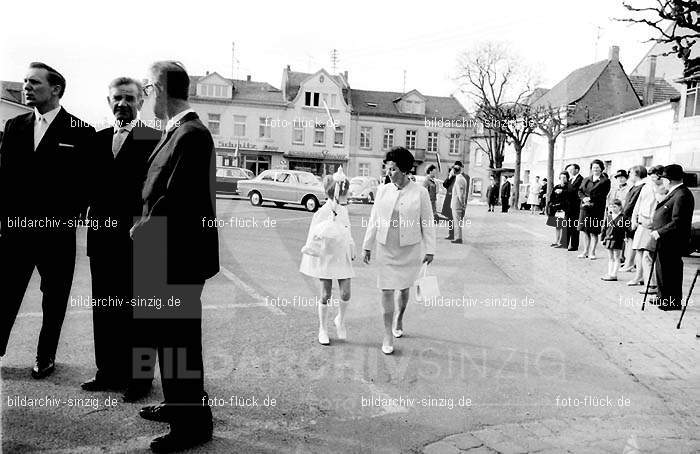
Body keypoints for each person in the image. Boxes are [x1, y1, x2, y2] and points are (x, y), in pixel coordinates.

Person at [129, 61, 219, 452]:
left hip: (177, 256)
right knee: (169, 339)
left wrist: (143, 226)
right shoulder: (176, 131)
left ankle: (193, 425)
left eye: (147, 87)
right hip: (163, 252)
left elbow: (177, 197)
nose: (145, 95)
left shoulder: (193, 134)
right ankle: (177, 404)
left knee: (180, 343)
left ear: (161, 89)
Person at [0, 62, 95, 378]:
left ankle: (45, 356)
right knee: (4, 294)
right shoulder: (15, 126)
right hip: (16, 234)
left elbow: (84, 186)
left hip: (56, 236)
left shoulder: (81, 131)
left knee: (54, 301)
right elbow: (4, 180)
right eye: (25, 81)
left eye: (34, 82)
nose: (27, 86)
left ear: (55, 89)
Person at [81, 77, 162, 401]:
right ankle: (108, 371)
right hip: (101, 239)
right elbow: (86, 187)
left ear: (141, 102)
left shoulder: (155, 139)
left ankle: (140, 379)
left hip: (138, 239)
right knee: (105, 308)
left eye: (129, 98)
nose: (122, 104)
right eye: (117, 98)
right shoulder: (97, 140)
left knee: (139, 314)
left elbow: (158, 192)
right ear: (108, 101)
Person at [362, 147, 435, 355]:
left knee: (403, 290)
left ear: (404, 170)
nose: (389, 173)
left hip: (408, 249)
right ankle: (387, 335)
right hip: (385, 247)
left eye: (392, 169)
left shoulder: (420, 192)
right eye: (387, 169)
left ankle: (399, 317)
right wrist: (367, 245)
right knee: (386, 289)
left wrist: (430, 249)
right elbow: (374, 219)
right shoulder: (383, 190)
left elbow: (427, 223)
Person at [300, 168, 354, 345]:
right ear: (336, 191)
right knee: (325, 294)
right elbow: (313, 235)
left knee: (346, 293)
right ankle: (322, 328)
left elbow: (347, 229)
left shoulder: (343, 210)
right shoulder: (323, 211)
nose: (346, 193)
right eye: (344, 190)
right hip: (326, 255)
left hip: (342, 255)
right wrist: (311, 250)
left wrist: (351, 247)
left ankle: (340, 319)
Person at [650, 164, 694, 311]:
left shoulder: (682, 194)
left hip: (671, 240)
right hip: (665, 240)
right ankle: (663, 297)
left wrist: (660, 232)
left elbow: (678, 221)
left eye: (663, 179)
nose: (662, 182)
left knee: (670, 271)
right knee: (663, 270)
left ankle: (671, 302)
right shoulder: (675, 193)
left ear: (668, 180)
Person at [629, 165, 664, 289]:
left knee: (648, 254)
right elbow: (638, 203)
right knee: (638, 250)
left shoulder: (663, 188)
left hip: (652, 224)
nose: (653, 177)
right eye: (651, 175)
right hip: (641, 223)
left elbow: (661, 202)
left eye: (656, 175)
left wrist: (656, 187)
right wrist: (634, 219)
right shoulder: (646, 187)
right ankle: (639, 276)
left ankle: (651, 281)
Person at [577, 160, 611, 260]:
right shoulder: (586, 179)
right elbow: (580, 190)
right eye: (593, 167)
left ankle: (592, 252)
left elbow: (603, 195)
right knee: (585, 231)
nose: (595, 169)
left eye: (597, 167)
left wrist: (590, 199)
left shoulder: (605, 181)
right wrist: (584, 198)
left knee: (594, 232)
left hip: (596, 209)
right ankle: (585, 251)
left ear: (601, 168)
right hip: (585, 208)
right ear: (591, 168)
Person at [620, 166, 647, 273]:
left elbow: (631, 204)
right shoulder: (636, 186)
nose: (629, 175)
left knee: (632, 241)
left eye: (631, 173)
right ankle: (628, 262)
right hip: (629, 216)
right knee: (629, 240)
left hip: (632, 217)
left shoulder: (641, 186)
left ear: (637, 174)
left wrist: (623, 215)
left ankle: (629, 263)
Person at [601, 199, 626, 281]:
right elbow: (604, 228)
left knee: (616, 256)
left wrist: (626, 237)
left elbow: (626, 229)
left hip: (618, 239)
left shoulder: (623, 218)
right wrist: (602, 238)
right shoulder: (609, 217)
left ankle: (614, 274)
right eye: (611, 207)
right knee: (610, 256)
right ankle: (609, 273)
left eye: (615, 207)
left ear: (620, 207)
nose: (613, 209)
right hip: (608, 239)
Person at [546, 171, 572, 248]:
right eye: (561, 177)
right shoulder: (557, 187)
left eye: (564, 177)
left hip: (564, 209)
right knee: (557, 226)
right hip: (556, 209)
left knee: (564, 226)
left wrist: (562, 192)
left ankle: (562, 242)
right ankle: (556, 241)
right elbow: (552, 197)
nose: (562, 179)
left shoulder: (568, 187)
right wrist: (552, 204)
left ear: (567, 178)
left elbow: (569, 197)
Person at [566, 163, 583, 251]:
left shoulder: (580, 179)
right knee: (568, 225)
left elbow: (575, 191)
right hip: (569, 206)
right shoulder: (570, 179)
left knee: (574, 226)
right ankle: (566, 242)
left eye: (572, 169)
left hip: (576, 207)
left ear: (577, 170)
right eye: (569, 170)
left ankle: (574, 245)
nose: (570, 171)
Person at [450, 163, 469, 244]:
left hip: (457, 204)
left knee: (457, 221)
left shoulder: (458, 179)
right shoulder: (462, 178)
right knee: (458, 221)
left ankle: (458, 238)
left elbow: (460, 194)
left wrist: (462, 204)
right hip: (458, 203)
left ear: (454, 171)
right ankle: (458, 237)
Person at [441, 163, 458, 239]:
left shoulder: (458, 178)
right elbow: (444, 184)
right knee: (450, 217)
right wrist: (449, 176)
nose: (452, 171)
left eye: (453, 170)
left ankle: (453, 234)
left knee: (453, 217)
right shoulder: (451, 177)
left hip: (453, 199)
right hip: (449, 198)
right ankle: (451, 234)